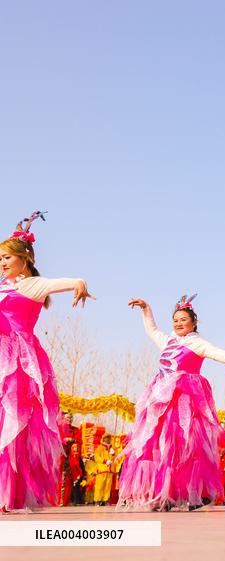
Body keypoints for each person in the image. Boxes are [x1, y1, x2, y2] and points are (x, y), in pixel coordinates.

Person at [0, 211, 95, 512]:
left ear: (24, 258)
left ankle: (9, 494)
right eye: (0, 258)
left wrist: (79, 283)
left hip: (19, 361)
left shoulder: (32, 286)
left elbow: (67, 281)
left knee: (13, 424)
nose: (2, 263)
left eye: (7, 258)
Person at [118, 296, 225, 511]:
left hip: (184, 402)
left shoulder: (197, 343)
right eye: (175, 320)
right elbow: (153, 330)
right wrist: (146, 309)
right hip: (160, 402)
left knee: (184, 447)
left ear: (193, 323)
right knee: (158, 445)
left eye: (183, 319)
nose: (178, 323)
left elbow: (215, 352)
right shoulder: (168, 341)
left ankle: (191, 493)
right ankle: (161, 493)